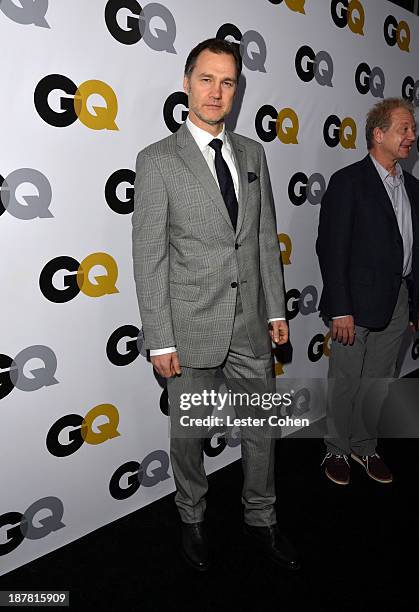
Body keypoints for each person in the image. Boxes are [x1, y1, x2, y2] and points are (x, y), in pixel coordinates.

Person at [132, 38, 300, 571]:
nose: (216, 91)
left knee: (261, 429)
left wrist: (276, 311)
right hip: (189, 328)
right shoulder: (157, 161)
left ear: (237, 89)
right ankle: (192, 516)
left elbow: (261, 239)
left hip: (251, 322)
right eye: (206, 79)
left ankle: (261, 517)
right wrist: (160, 337)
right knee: (189, 435)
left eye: (227, 81)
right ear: (186, 82)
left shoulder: (253, 152)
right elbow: (149, 258)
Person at [317, 98, 419, 486]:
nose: (412, 136)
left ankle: (364, 444)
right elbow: (331, 247)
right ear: (379, 135)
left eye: (412, 129)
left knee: (379, 380)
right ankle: (336, 449)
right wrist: (341, 307)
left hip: (397, 300)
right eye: (404, 129)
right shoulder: (348, 182)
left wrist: (413, 304)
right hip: (354, 305)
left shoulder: (412, 186)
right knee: (345, 379)